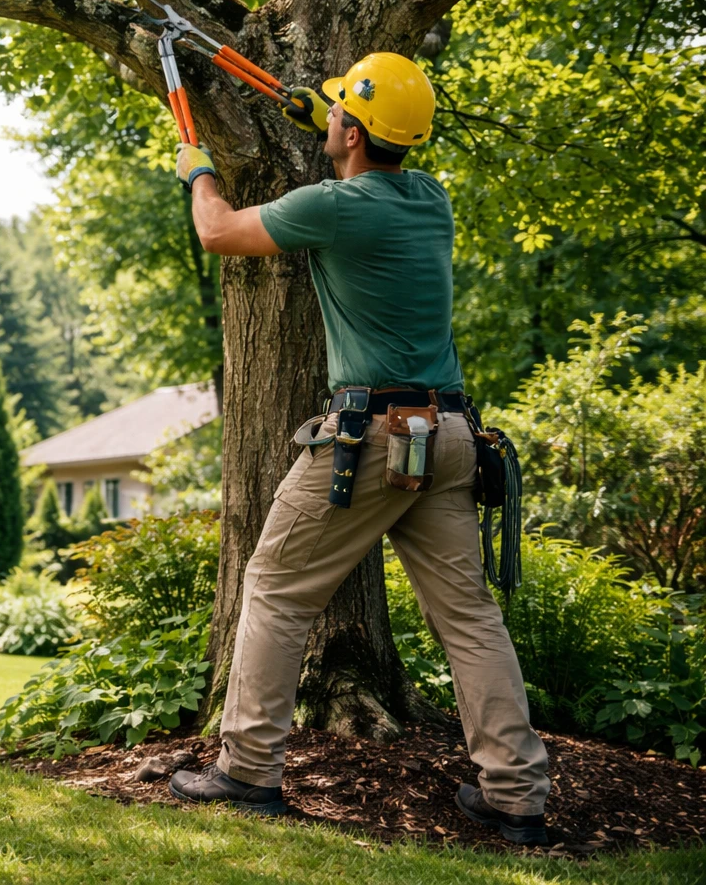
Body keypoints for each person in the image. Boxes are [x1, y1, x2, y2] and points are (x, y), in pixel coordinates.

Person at [166, 53, 550, 845]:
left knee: (273, 584)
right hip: (448, 438)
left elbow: (219, 232)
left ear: (353, 133)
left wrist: (198, 170)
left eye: (340, 113)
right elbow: (365, 146)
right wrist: (327, 115)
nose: (330, 119)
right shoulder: (429, 200)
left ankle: (246, 770)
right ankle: (517, 795)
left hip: (372, 438)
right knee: (471, 620)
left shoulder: (335, 208)